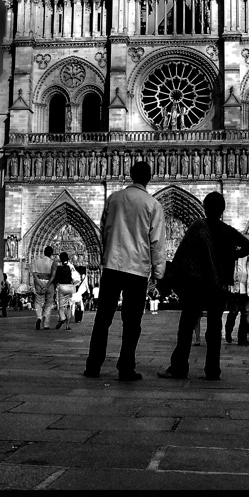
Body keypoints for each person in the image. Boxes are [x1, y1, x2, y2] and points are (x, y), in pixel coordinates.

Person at [159, 191, 249, 380]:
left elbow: (182, 256)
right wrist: (230, 254)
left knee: (186, 327)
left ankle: (179, 368)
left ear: (204, 207)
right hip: (218, 286)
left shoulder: (198, 226)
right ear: (222, 210)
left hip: (196, 285)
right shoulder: (226, 230)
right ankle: (213, 371)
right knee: (214, 329)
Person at [84, 160, 166, 382]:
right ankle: (126, 367)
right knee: (132, 322)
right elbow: (157, 242)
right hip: (137, 269)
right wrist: (158, 274)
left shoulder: (114, 198)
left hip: (113, 264)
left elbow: (104, 229)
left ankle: (93, 365)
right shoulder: (153, 205)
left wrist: (108, 252)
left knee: (103, 319)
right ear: (149, 178)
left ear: (131, 175)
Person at [224, 245, 249, 347]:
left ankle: (242, 338)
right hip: (236, 289)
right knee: (234, 312)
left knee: (247, 314)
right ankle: (228, 330)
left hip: (248, 290)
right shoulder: (233, 256)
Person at [48, 251, 80, 330]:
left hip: (62, 286)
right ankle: (67, 325)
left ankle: (62, 318)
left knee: (61, 306)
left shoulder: (58, 267)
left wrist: (55, 286)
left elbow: (56, 278)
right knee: (69, 306)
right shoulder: (71, 266)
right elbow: (76, 279)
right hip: (70, 287)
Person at [32, 245, 58, 330]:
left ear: (44, 252)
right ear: (51, 254)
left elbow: (34, 275)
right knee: (49, 303)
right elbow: (53, 276)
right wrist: (47, 286)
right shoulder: (53, 262)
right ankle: (46, 324)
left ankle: (39, 317)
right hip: (49, 284)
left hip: (39, 282)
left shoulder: (36, 261)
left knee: (38, 302)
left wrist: (40, 283)